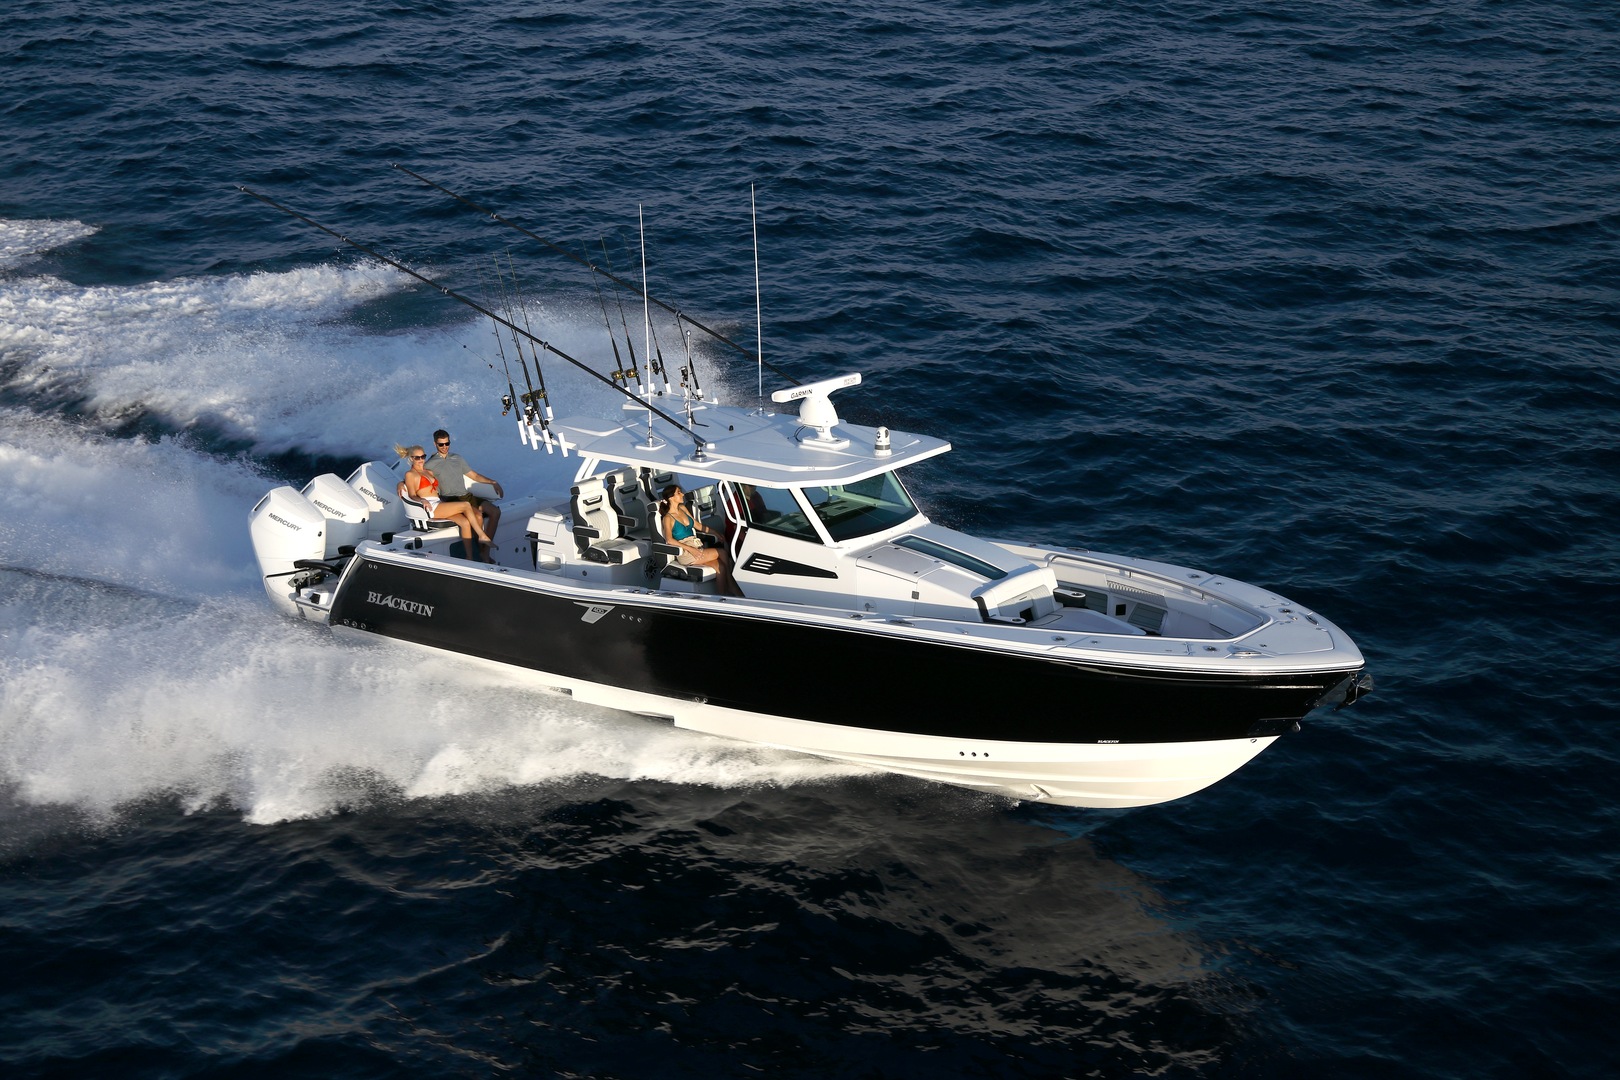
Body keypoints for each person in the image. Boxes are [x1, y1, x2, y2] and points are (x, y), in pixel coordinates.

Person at [395, 444, 494, 562]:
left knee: (465, 522)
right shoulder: (410, 474)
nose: (421, 460)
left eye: (423, 456)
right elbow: (412, 494)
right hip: (430, 507)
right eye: (417, 458)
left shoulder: (428, 471)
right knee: (466, 505)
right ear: (411, 458)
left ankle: (469, 558)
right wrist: (421, 499)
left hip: (439, 503)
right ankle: (481, 535)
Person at [425, 429, 503, 543]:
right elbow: (416, 476)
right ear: (435, 444)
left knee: (495, 512)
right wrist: (401, 484)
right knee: (478, 516)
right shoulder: (430, 464)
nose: (445, 447)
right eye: (441, 444)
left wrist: (492, 482)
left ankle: (485, 550)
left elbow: (474, 476)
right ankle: (479, 550)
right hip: (451, 499)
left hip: (466, 496)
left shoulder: (457, 458)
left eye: (447, 443)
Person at [659, 484, 737, 595]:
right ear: (671, 497)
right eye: (679, 493)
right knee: (722, 552)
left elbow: (697, 525)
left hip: (696, 547)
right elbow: (669, 540)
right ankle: (731, 586)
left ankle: (721, 596)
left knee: (721, 567)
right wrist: (690, 549)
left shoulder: (682, 508)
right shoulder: (668, 518)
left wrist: (715, 533)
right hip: (686, 553)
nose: (682, 494)